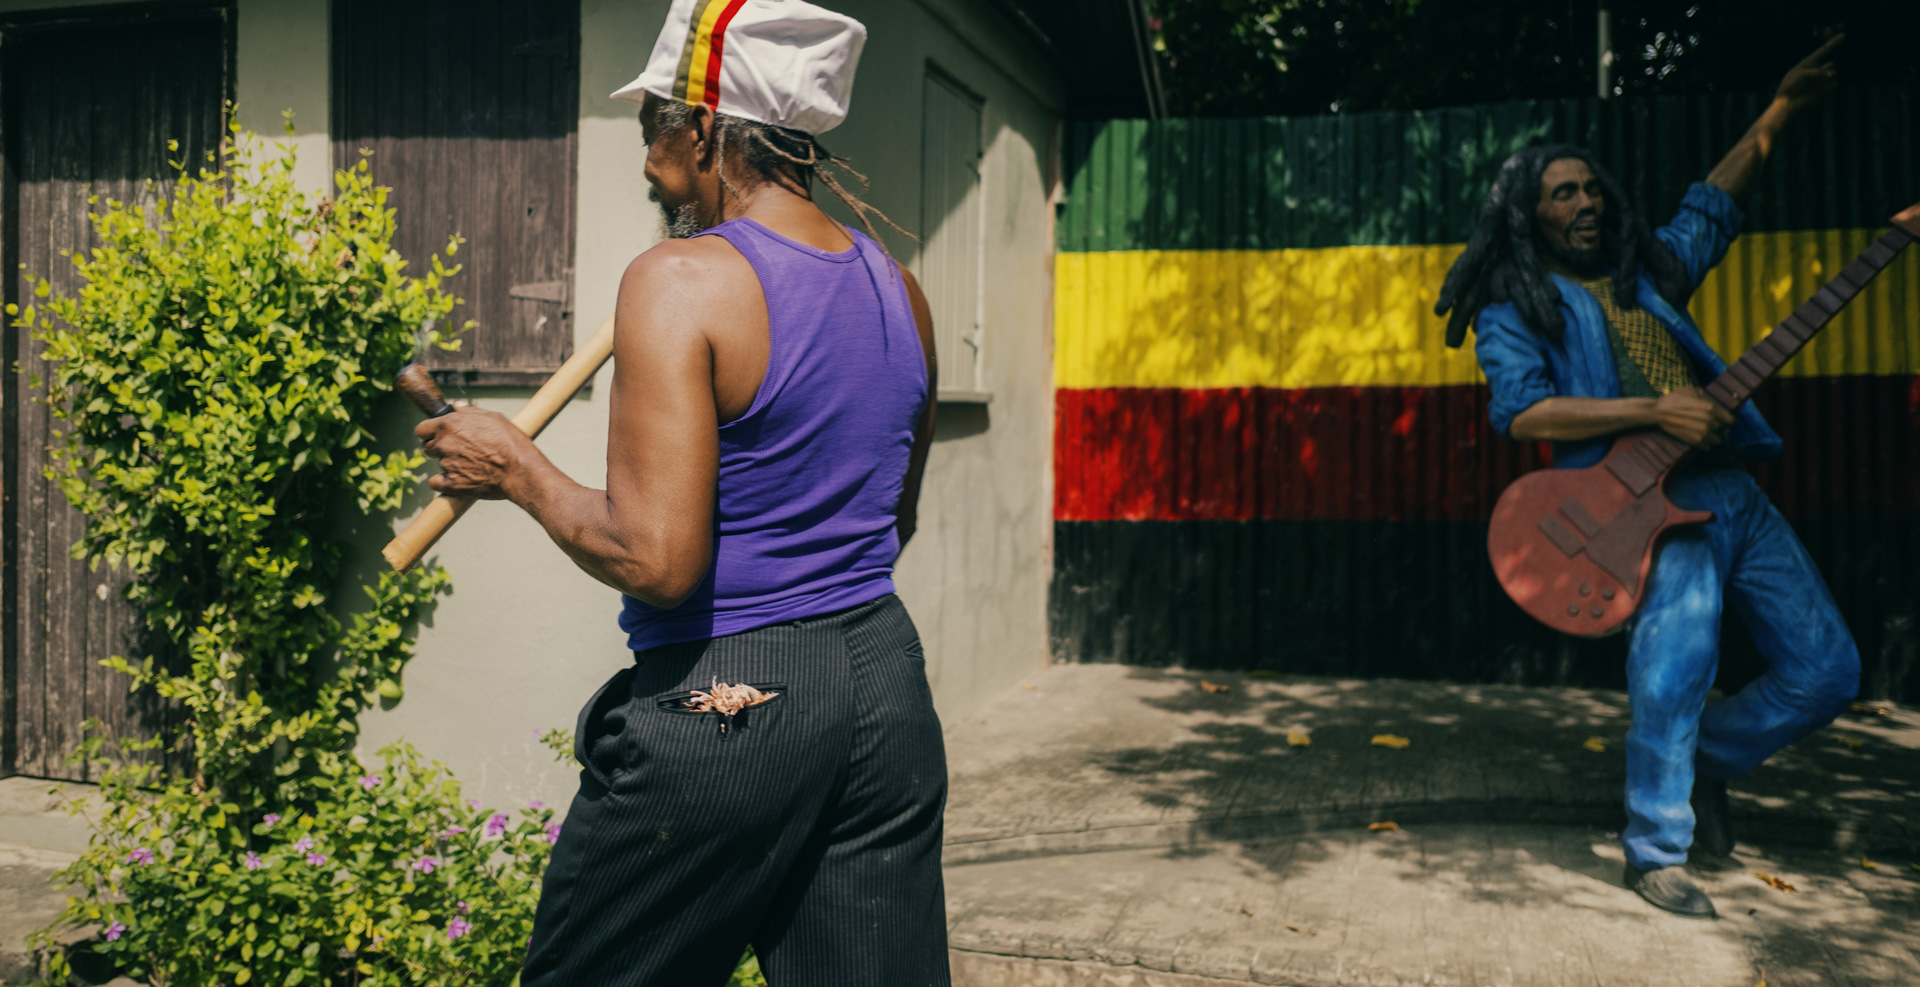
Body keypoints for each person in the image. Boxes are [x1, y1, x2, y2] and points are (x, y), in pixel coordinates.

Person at [414, 1, 947, 982]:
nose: (648, 157)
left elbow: (656, 560)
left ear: (703, 127)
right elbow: (894, 517)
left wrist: (515, 469)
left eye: (652, 124)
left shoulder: (680, 280)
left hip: (732, 703)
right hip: (883, 690)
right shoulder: (898, 288)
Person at [1434, 37, 1858, 919]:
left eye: (1591, 187)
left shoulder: (1646, 278)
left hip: (1732, 489)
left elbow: (1711, 205)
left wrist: (1780, 109)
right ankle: (1655, 847)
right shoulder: (1517, 312)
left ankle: (1705, 764)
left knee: (1827, 669)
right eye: (1564, 193)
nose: (1586, 202)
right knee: (1673, 667)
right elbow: (1523, 412)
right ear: (1529, 215)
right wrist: (1654, 413)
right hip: (1645, 511)